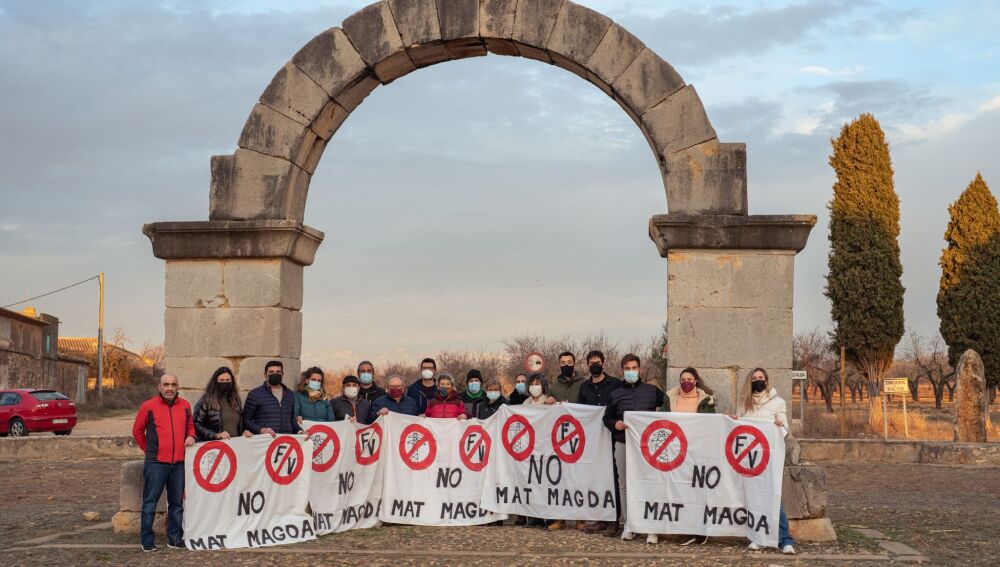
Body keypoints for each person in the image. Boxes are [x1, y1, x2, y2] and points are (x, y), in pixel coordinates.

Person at [604, 354, 665, 544]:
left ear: (640, 369)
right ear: (622, 370)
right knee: (624, 484)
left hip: (647, 447)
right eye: (627, 368)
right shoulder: (615, 394)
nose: (631, 371)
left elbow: (668, 408)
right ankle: (629, 524)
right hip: (623, 443)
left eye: (634, 368)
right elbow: (607, 418)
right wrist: (616, 424)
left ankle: (651, 527)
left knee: (648, 483)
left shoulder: (653, 391)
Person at [131, 373, 195, 552]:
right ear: (159, 386)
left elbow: (190, 426)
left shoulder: (185, 406)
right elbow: (137, 431)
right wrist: (149, 451)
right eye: (166, 384)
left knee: (176, 504)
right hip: (156, 463)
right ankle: (147, 541)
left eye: (173, 384)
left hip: (179, 464)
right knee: (150, 502)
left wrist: (191, 435)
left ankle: (174, 539)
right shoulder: (148, 406)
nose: (170, 388)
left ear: (178, 387)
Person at [737, 368, 796, 555]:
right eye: (754, 378)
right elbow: (740, 426)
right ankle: (758, 537)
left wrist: (780, 426)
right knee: (753, 497)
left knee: (773, 498)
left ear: (767, 380)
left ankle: (785, 539)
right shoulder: (744, 403)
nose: (758, 381)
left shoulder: (778, 402)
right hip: (748, 460)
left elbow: (785, 429)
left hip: (768, 459)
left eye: (761, 378)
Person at [664, 367, 715, 546]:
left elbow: (711, 424)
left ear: (696, 381)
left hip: (697, 450)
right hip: (675, 449)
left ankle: (699, 530)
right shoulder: (670, 398)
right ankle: (685, 527)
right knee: (680, 489)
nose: (686, 382)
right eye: (682, 379)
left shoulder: (706, 402)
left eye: (689, 379)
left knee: (696, 490)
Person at [577, 352, 622, 536]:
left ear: (603, 363)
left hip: (611, 436)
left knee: (613, 477)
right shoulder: (584, 387)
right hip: (593, 441)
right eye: (591, 362)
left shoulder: (615, 384)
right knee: (596, 477)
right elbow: (581, 412)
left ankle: (614, 520)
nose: (594, 364)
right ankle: (599, 518)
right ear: (587, 365)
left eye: (597, 361)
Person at [193, 366, 253, 442]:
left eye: (227, 380)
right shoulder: (206, 401)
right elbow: (196, 424)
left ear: (232, 382)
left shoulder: (236, 401)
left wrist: (244, 431)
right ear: (215, 382)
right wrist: (216, 435)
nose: (224, 382)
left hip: (236, 447)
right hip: (216, 447)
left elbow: (239, 424)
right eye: (221, 380)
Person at [242, 360, 302, 436]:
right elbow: (246, 420)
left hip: (286, 441)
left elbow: (291, 419)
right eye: (271, 372)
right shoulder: (255, 394)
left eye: (278, 372)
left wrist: (300, 431)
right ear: (265, 374)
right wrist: (261, 430)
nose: (275, 374)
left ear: (282, 374)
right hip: (265, 441)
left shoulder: (289, 394)